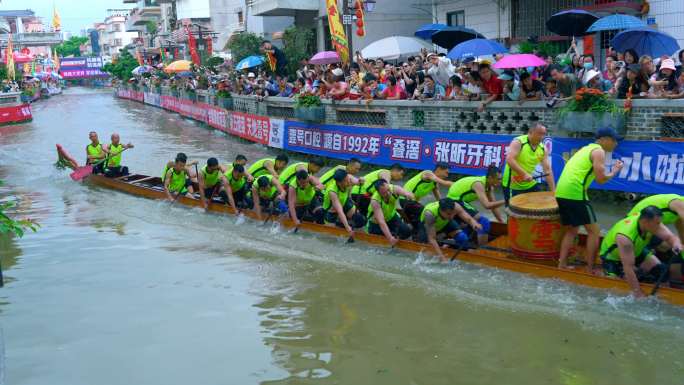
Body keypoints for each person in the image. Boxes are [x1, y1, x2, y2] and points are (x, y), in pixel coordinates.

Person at [555, 128, 625, 271]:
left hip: (561, 192)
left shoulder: (585, 149)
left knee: (572, 230)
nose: (616, 144)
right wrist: (614, 171)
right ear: (604, 139)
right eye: (614, 140)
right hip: (575, 193)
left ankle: (561, 265)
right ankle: (590, 268)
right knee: (594, 231)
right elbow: (600, 179)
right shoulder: (599, 151)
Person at [600, 206, 682, 298]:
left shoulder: (651, 223)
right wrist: (638, 292)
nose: (660, 226)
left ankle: (666, 295)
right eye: (657, 223)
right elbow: (628, 267)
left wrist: (676, 243)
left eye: (660, 223)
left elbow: (670, 237)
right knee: (616, 289)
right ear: (645, 222)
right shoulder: (625, 236)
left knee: (661, 272)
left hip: (636, 251)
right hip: (612, 258)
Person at [446, 166, 505, 245]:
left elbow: (493, 206)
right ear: (490, 177)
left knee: (471, 222)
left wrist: (501, 221)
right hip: (454, 201)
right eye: (498, 179)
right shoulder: (479, 184)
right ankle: (482, 249)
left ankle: (459, 241)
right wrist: (506, 201)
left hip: (461, 202)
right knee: (483, 222)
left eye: (501, 179)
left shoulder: (489, 187)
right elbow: (487, 205)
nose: (500, 181)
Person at [501, 124, 555, 205]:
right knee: (513, 212)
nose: (542, 136)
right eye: (539, 133)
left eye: (544, 134)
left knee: (535, 207)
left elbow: (547, 170)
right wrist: (524, 174)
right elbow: (510, 159)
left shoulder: (543, 148)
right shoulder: (518, 142)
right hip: (512, 184)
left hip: (530, 183)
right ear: (530, 132)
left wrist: (553, 192)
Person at [416, 198, 481, 261]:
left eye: (453, 213)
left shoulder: (455, 206)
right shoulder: (429, 214)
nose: (452, 216)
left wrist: (474, 223)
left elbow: (468, 218)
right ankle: (442, 241)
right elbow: (432, 239)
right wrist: (442, 257)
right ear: (441, 210)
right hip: (427, 226)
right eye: (448, 214)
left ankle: (448, 244)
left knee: (462, 238)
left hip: (445, 223)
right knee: (427, 250)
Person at [400, 162, 453, 226]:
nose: (447, 175)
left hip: (413, 202)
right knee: (426, 214)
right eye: (446, 172)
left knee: (429, 213)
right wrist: (458, 184)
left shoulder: (434, 183)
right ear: (439, 169)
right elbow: (444, 183)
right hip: (405, 199)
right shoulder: (428, 173)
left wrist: (443, 206)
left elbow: (439, 199)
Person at [366, 179, 414, 246]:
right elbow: (381, 222)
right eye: (384, 193)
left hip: (391, 217)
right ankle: (391, 234)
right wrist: (390, 238)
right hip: (376, 223)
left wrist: (409, 195)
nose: (388, 193)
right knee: (381, 242)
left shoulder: (395, 189)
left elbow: (408, 193)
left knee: (407, 232)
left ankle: (394, 234)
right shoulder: (375, 201)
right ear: (378, 192)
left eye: (388, 190)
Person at [323, 169, 367, 237]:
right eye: (346, 181)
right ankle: (342, 224)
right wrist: (348, 228)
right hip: (331, 211)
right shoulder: (332, 192)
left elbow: (358, 182)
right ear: (339, 183)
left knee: (359, 219)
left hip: (345, 202)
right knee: (331, 236)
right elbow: (340, 211)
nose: (349, 182)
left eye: (348, 179)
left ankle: (359, 234)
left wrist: (361, 180)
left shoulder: (349, 178)